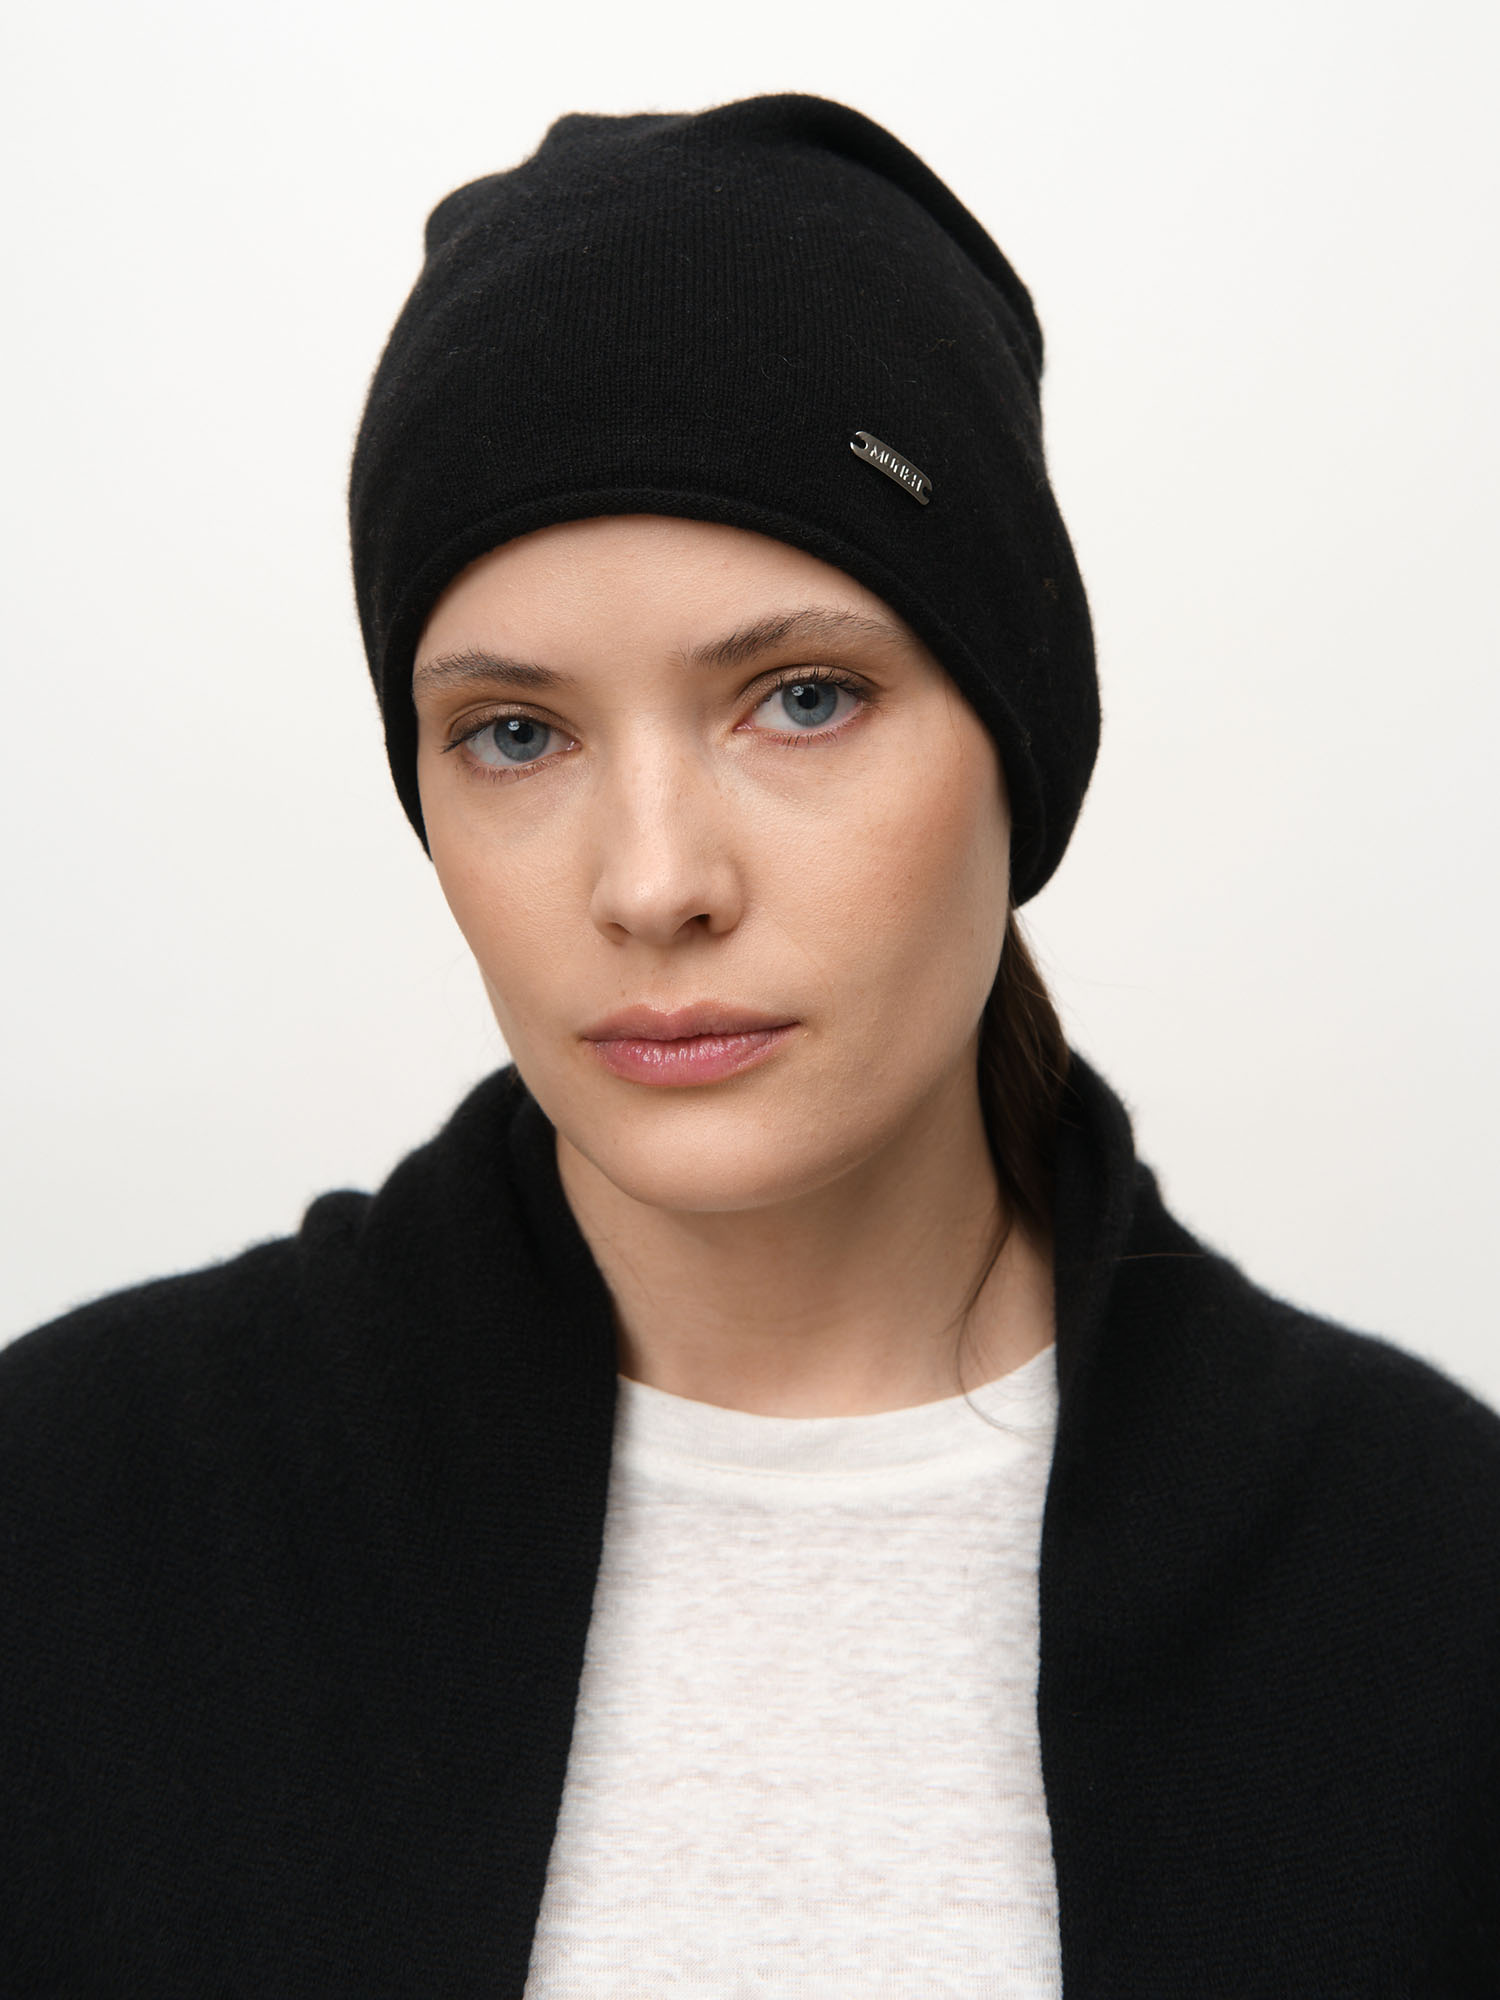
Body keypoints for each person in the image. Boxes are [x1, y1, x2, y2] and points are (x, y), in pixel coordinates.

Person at [1, 92, 1496, 2000]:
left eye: (801, 699)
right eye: (515, 735)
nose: (653, 883)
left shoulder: (1427, 1581)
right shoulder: (76, 1522)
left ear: (1019, 744)